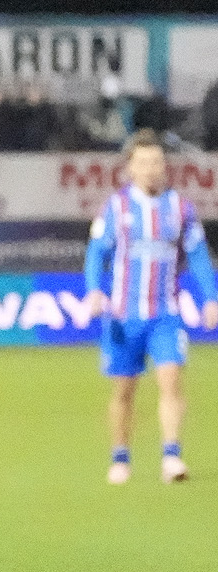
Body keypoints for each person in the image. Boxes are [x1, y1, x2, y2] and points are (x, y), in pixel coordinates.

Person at [86, 130, 218, 485]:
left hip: (165, 314)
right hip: (123, 315)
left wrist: (211, 297)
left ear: (165, 166)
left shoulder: (180, 209)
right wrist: (94, 291)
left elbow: (198, 256)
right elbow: (97, 253)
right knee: (124, 390)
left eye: (156, 162)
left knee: (171, 381)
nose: (150, 168)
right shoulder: (116, 207)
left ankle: (172, 456)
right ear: (130, 168)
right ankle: (120, 456)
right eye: (143, 162)